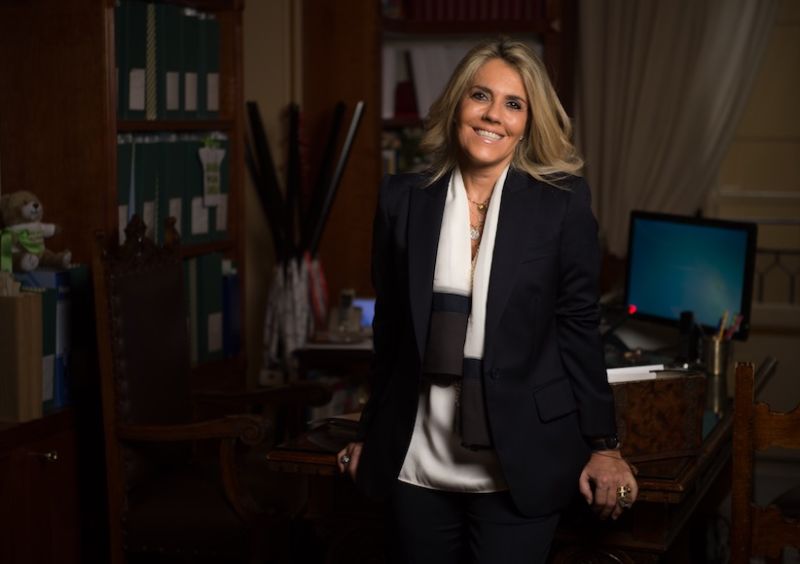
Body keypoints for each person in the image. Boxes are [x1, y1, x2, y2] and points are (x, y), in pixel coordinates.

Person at [337, 37, 637, 563]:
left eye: (513, 104)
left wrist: (604, 446)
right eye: (481, 96)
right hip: (419, 461)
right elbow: (391, 333)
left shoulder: (561, 205)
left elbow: (578, 330)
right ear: (458, 103)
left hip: (521, 462)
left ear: (528, 122)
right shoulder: (402, 199)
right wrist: (371, 432)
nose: (493, 115)